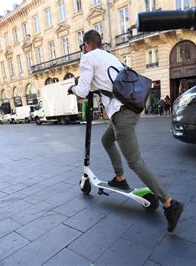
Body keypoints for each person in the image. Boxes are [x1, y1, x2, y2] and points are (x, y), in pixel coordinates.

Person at [68, 30, 184, 232]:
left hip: (122, 115)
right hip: (129, 109)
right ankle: (119, 178)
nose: (83, 50)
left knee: (135, 161)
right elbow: (104, 84)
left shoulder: (88, 58)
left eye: (83, 47)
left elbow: (82, 91)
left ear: (86, 45)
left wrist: (72, 88)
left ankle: (169, 203)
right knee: (107, 140)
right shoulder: (109, 57)